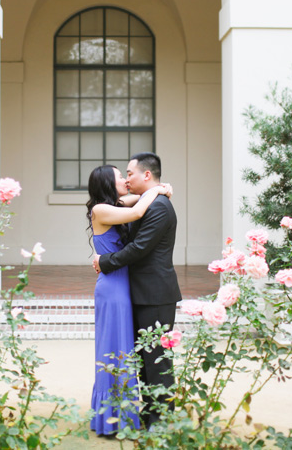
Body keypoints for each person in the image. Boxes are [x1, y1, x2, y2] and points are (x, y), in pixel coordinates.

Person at [92, 152, 182, 430]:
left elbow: (140, 248)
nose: (127, 178)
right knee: (144, 360)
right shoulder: (139, 203)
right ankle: (148, 414)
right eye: (122, 176)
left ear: (146, 174)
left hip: (155, 294)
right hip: (136, 292)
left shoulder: (158, 207)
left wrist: (103, 261)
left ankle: (161, 422)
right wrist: (157, 189)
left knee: (156, 360)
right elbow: (133, 210)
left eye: (129, 173)